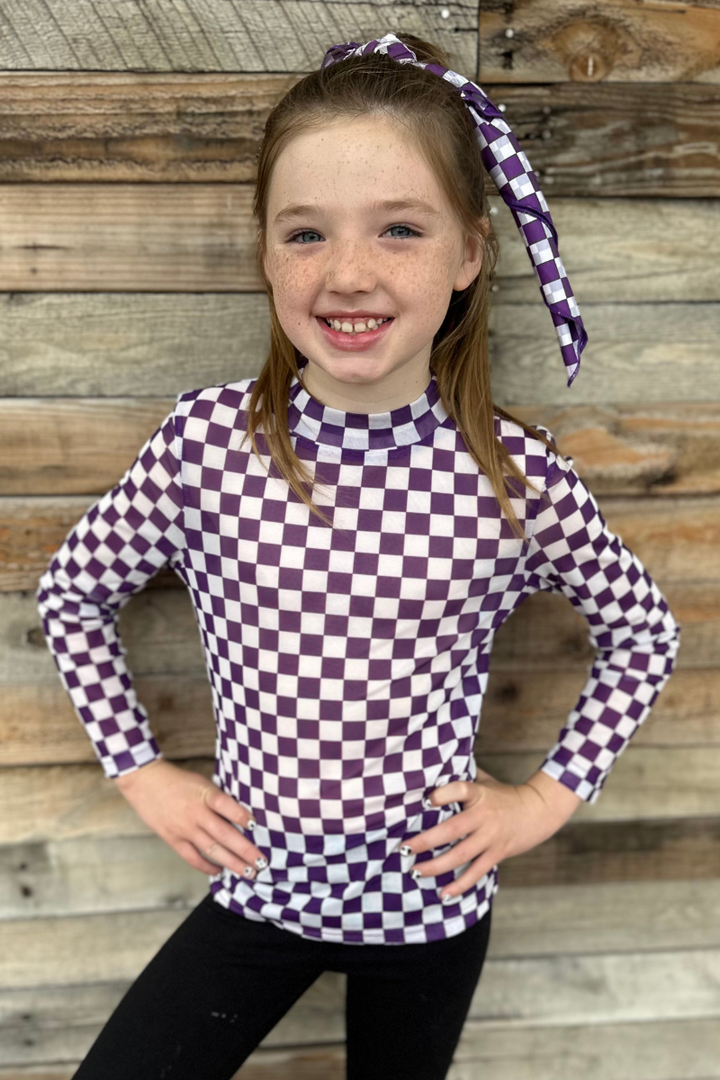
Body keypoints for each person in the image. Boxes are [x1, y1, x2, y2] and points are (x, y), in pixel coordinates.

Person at [36, 31, 681, 1080]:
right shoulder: (207, 447)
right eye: (305, 233)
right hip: (260, 891)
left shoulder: (515, 479)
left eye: (399, 230)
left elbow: (644, 636)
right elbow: (73, 596)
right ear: (264, 252)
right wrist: (140, 771)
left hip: (428, 907)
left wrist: (544, 800)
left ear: (468, 253)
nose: (347, 273)